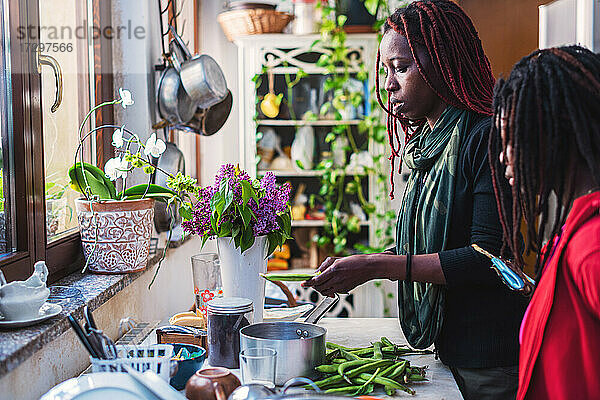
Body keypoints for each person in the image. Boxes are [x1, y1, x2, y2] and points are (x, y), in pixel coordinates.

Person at [303, 1, 528, 399]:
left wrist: (376, 265)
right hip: (450, 350)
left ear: (443, 65)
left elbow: (483, 257)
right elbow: (438, 242)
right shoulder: (429, 145)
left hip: (488, 360)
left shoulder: (485, 136)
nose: (389, 83)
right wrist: (364, 261)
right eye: (386, 70)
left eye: (402, 67)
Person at [488, 45, 600, 400]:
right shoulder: (571, 229)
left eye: (512, 139)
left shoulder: (592, 245)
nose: (503, 156)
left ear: (557, 133)